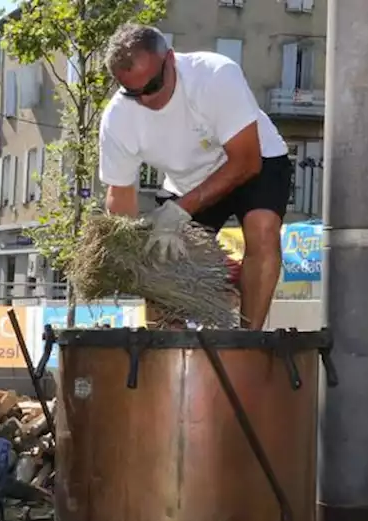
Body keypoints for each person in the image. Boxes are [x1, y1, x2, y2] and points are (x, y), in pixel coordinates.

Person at [98, 23, 291, 331]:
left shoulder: (215, 76)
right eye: (132, 92)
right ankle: (169, 355)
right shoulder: (118, 119)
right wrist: (129, 252)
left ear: (171, 59)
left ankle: (247, 341)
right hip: (188, 182)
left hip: (255, 159)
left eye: (152, 86)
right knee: (159, 263)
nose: (146, 100)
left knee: (263, 229)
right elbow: (120, 195)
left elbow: (246, 162)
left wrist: (179, 212)